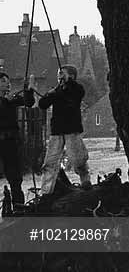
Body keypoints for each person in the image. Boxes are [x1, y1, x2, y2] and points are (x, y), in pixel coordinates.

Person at [38, 65, 91, 195]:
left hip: (72, 129)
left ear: (71, 76)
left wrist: (69, 82)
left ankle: (85, 180)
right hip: (57, 131)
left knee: (78, 159)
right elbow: (43, 104)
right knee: (50, 163)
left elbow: (78, 93)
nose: (59, 76)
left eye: (62, 73)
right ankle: (46, 192)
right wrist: (53, 92)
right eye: (58, 74)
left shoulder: (76, 89)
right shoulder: (56, 91)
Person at [0, 72, 36, 208]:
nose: (7, 83)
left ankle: (18, 205)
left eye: (8, 81)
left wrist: (29, 89)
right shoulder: (7, 100)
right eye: (3, 81)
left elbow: (29, 102)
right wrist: (5, 100)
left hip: (10, 142)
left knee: (14, 175)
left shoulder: (11, 99)